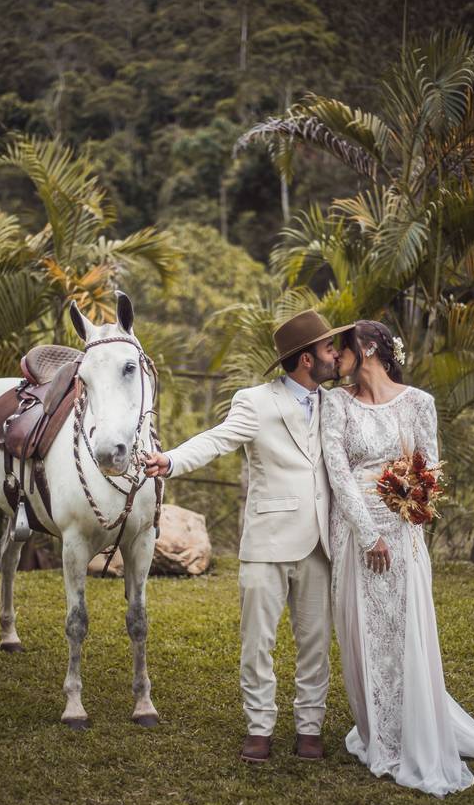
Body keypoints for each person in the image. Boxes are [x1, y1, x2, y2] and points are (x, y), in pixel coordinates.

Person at [322, 319, 474, 797]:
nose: (333, 358)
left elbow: (430, 470)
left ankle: (413, 729)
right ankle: (379, 732)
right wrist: (365, 535)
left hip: (402, 531)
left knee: (404, 629)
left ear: (370, 348)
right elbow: (338, 473)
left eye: (340, 349)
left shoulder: (420, 403)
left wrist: (410, 507)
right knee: (361, 630)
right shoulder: (334, 403)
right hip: (355, 531)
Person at [144, 310, 359, 762]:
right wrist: (172, 460)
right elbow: (218, 438)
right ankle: (260, 727)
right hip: (267, 540)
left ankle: (309, 729)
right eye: (326, 348)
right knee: (257, 641)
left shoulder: (338, 403)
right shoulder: (255, 401)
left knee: (316, 641)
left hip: (320, 542)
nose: (334, 354)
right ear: (305, 359)